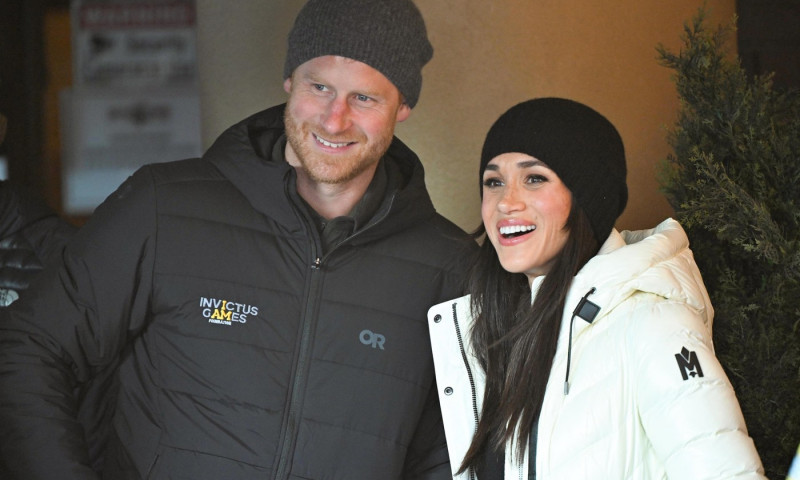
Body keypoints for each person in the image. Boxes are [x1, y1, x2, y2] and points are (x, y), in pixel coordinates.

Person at [0, 0, 476, 478]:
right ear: (290, 80)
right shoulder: (164, 207)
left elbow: (450, 448)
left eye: (365, 98)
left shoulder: (450, 267)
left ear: (404, 106)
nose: (335, 120)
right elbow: (30, 345)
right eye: (320, 86)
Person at [427, 98, 766, 479]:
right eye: (494, 182)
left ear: (586, 196)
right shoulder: (496, 325)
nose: (506, 202)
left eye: (534, 178)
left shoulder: (652, 321)